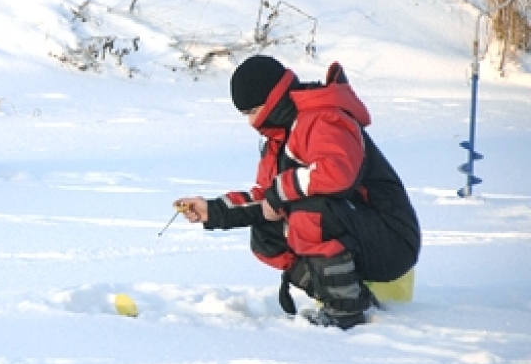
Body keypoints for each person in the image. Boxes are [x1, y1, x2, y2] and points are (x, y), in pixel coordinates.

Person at [175, 55, 420, 329]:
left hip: (392, 239)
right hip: (356, 234)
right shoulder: (278, 138)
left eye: (253, 111)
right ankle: (348, 296)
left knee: (311, 213)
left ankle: (344, 311)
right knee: (266, 234)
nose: (251, 122)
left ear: (272, 100)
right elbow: (268, 198)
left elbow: (336, 173)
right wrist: (213, 210)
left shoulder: (323, 118)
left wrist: (280, 192)